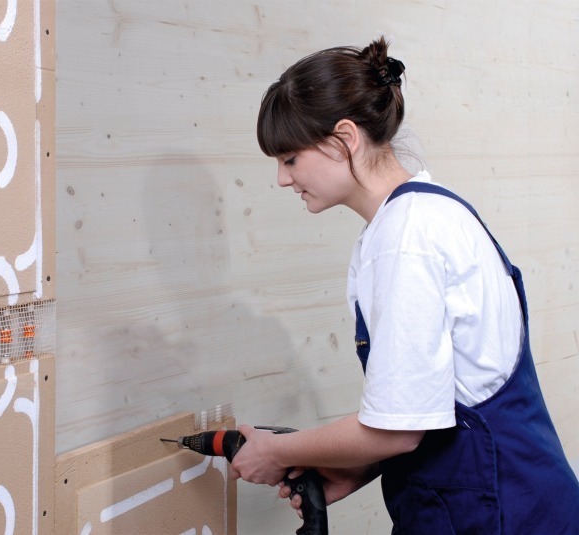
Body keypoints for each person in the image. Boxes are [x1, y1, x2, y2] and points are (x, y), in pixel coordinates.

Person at [229, 36, 579, 533]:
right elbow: (432, 401)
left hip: (500, 515)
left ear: (343, 139)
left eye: (289, 159)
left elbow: (398, 430)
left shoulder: (405, 240)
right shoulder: (428, 213)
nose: (284, 179)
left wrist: (276, 450)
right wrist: (355, 470)